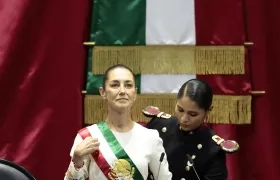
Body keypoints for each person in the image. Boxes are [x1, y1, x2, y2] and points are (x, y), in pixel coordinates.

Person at [64, 64, 172, 180]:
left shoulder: (150, 138)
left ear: (134, 93)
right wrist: (77, 160)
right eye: (115, 85)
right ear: (103, 92)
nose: (122, 91)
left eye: (128, 85)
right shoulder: (87, 136)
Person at [143, 79, 240, 180]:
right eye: (180, 110)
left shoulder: (213, 149)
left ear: (209, 110)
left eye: (193, 114)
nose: (184, 119)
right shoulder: (158, 125)